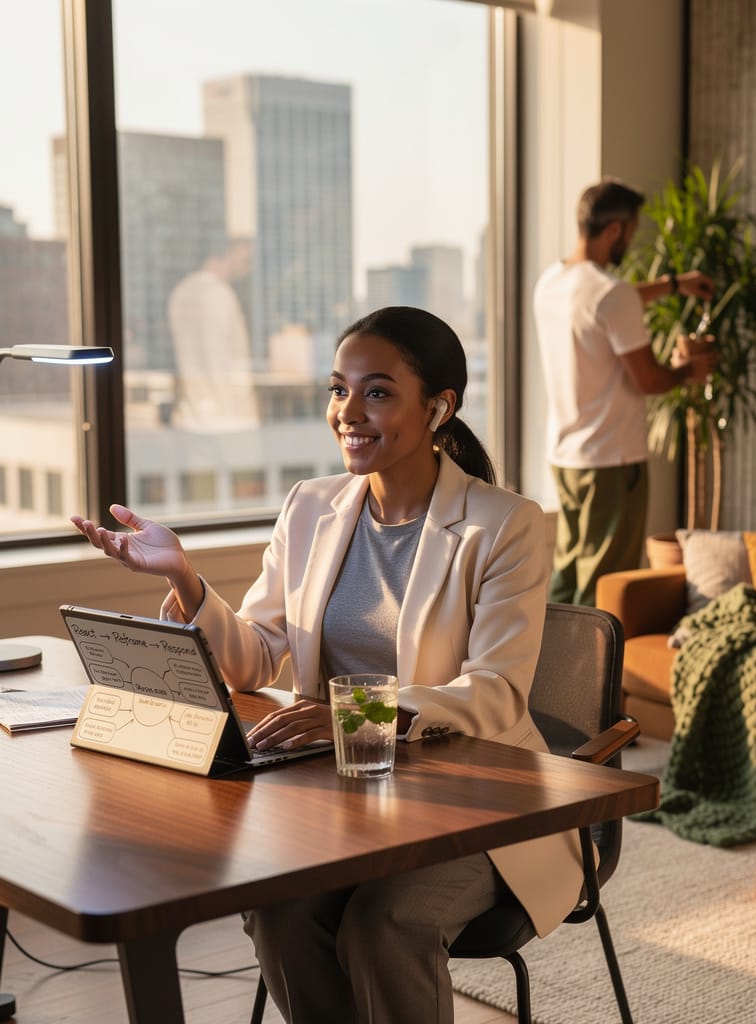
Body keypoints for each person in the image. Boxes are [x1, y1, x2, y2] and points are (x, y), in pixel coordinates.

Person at [70, 305, 584, 1024]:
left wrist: (355, 712)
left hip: (478, 803)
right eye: (339, 388)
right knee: (278, 910)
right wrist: (185, 579)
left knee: (385, 921)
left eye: (377, 391)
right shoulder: (310, 506)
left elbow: (497, 693)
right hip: (346, 807)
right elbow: (252, 658)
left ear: (439, 407)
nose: (348, 411)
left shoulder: (506, 525)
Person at [534, 177, 717, 606]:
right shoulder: (611, 295)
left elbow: (610, 303)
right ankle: (586, 674)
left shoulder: (554, 282)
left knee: (566, 573)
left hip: (565, 456)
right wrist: (689, 370)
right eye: (631, 232)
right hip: (611, 460)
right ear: (615, 229)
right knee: (603, 585)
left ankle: (544, 668)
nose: (630, 243)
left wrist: (675, 284)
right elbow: (649, 380)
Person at [167, 238, 259, 429]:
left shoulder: (181, 292)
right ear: (222, 255)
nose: (246, 270)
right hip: (225, 414)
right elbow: (218, 355)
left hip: (193, 410)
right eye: (244, 261)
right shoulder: (219, 294)